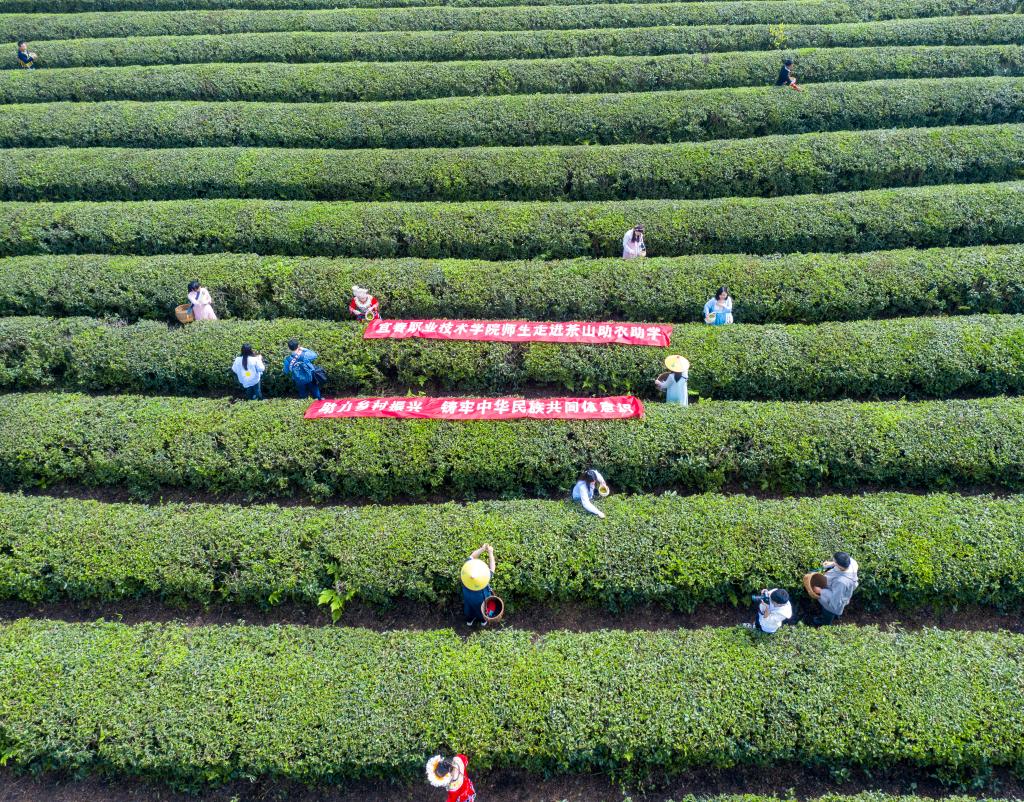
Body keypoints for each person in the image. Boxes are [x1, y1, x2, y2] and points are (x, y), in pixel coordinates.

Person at [810, 551, 860, 626]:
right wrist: (832, 564)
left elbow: (835, 600)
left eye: (834, 561)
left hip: (833, 604)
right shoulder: (852, 563)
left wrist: (821, 591)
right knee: (836, 610)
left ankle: (825, 624)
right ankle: (835, 616)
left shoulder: (841, 582)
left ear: (840, 565)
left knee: (828, 612)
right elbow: (848, 560)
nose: (833, 561)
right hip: (842, 593)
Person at [461, 543, 496, 627]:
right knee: (482, 610)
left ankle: (469, 621)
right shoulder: (485, 578)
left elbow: (472, 556)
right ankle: (483, 621)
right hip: (481, 599)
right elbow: (492, 568)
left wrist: (482, 549)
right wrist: (490, 552)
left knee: (469, 609)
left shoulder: (465, 576)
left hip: (468, 598)